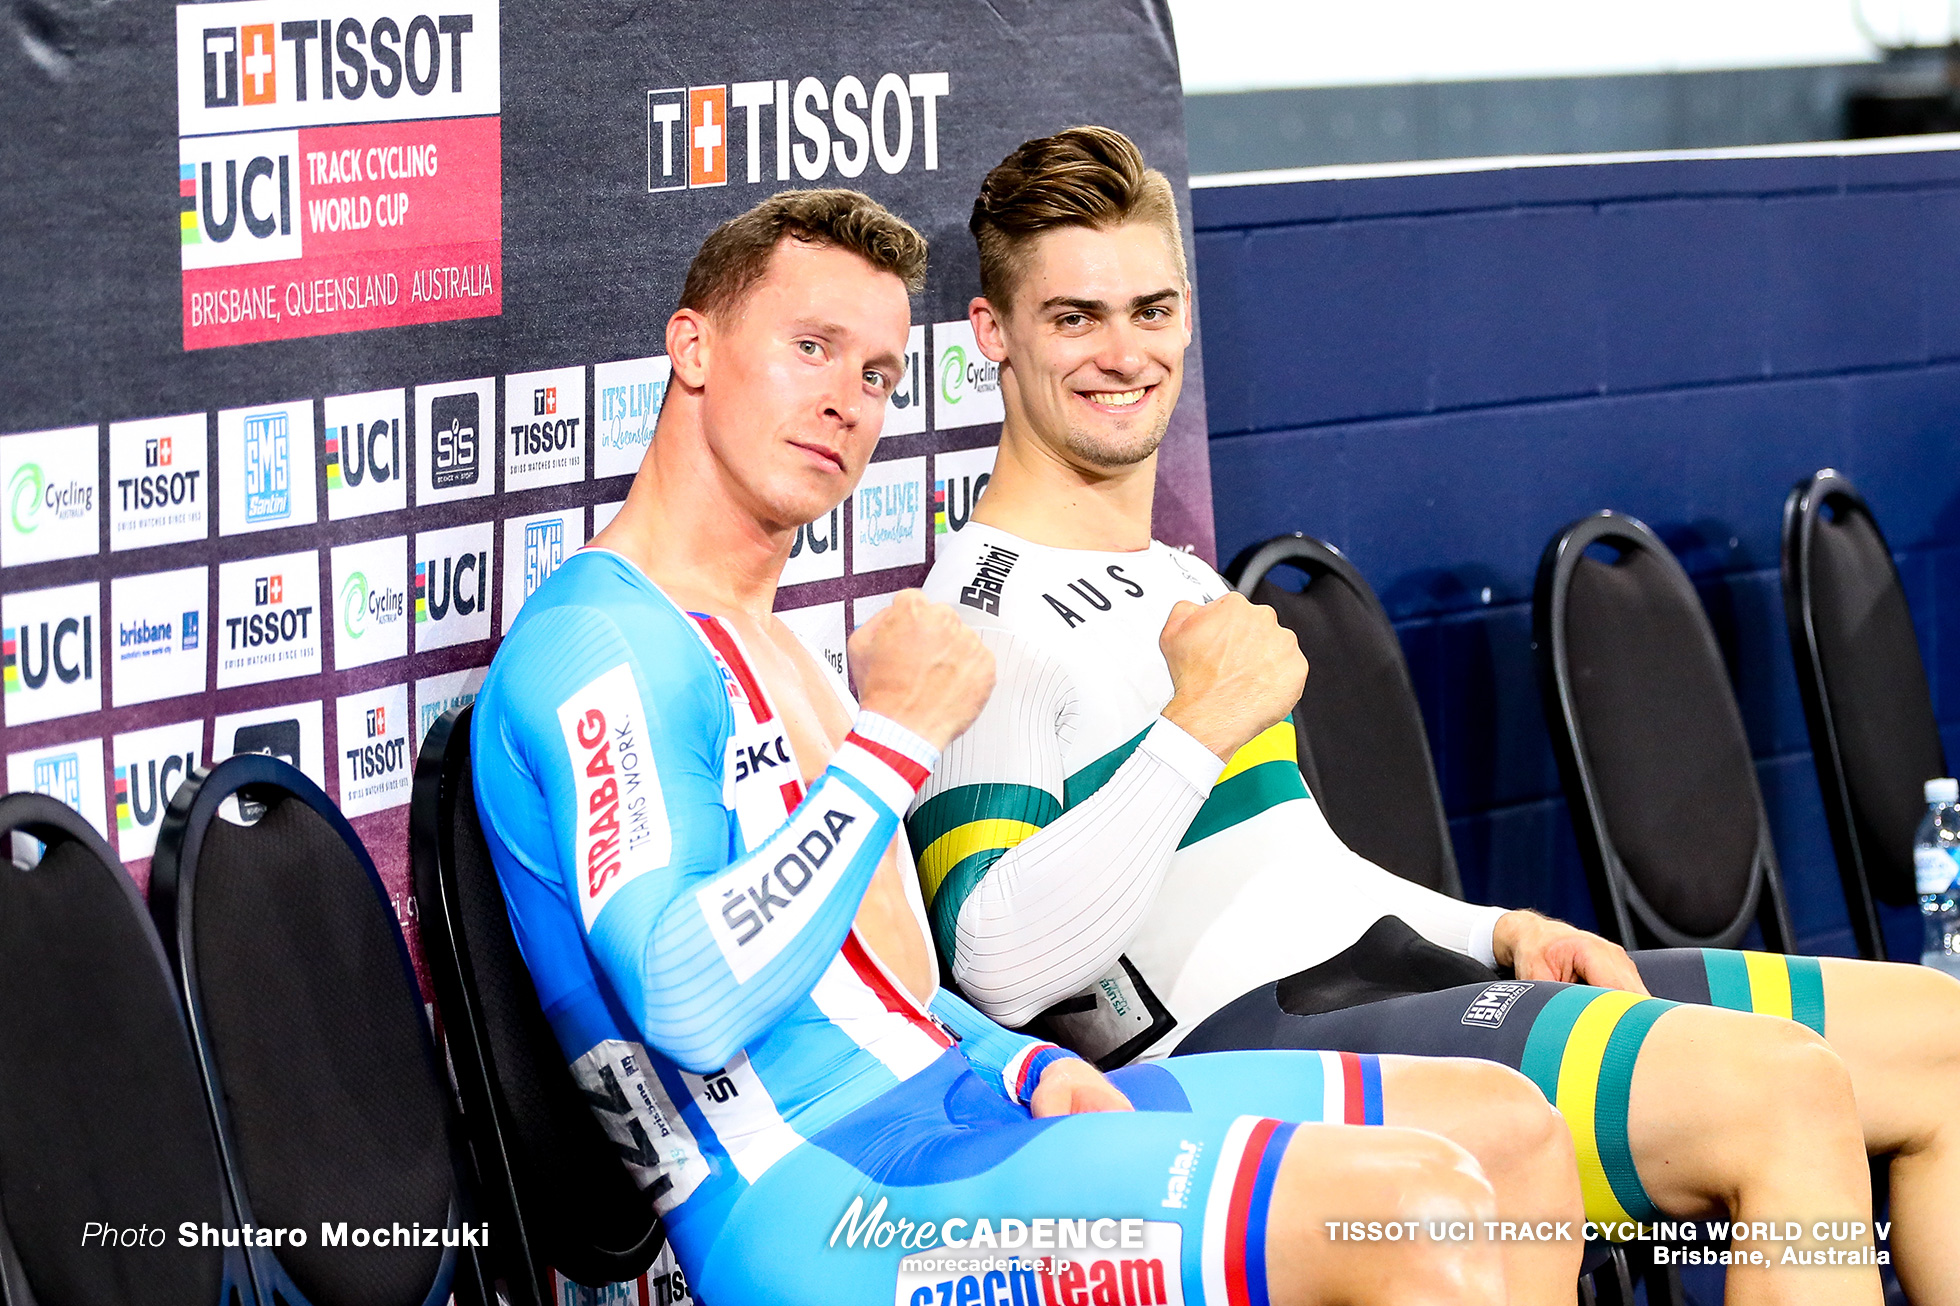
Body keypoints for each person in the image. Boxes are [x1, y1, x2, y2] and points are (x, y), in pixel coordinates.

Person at [470, 188, 1581, 1305]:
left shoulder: (777, 645)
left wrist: (1027, 1061)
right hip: (826, 1197)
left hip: (961, 1102)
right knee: (1407, 1213)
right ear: (692, 346)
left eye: (874, 376)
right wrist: (895, 738)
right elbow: (689, 1006)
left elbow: (873, 985)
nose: (842, 403)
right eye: (808, 348)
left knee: (1509, 1128)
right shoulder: (603, 643)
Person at [915, 125, 1960, 1306]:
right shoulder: (980, 616)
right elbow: (994, 965)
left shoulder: (1181, 580)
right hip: (1228, 1062)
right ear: (991, 336)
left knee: (1940, 1039)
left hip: (1383, 979)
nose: (1123, 351)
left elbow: (1294, 873)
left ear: (1188, 315)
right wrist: (1192, 729)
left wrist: (1491, 929)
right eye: (1074, 318)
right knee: (1779, 1088)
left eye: (1149, 310)